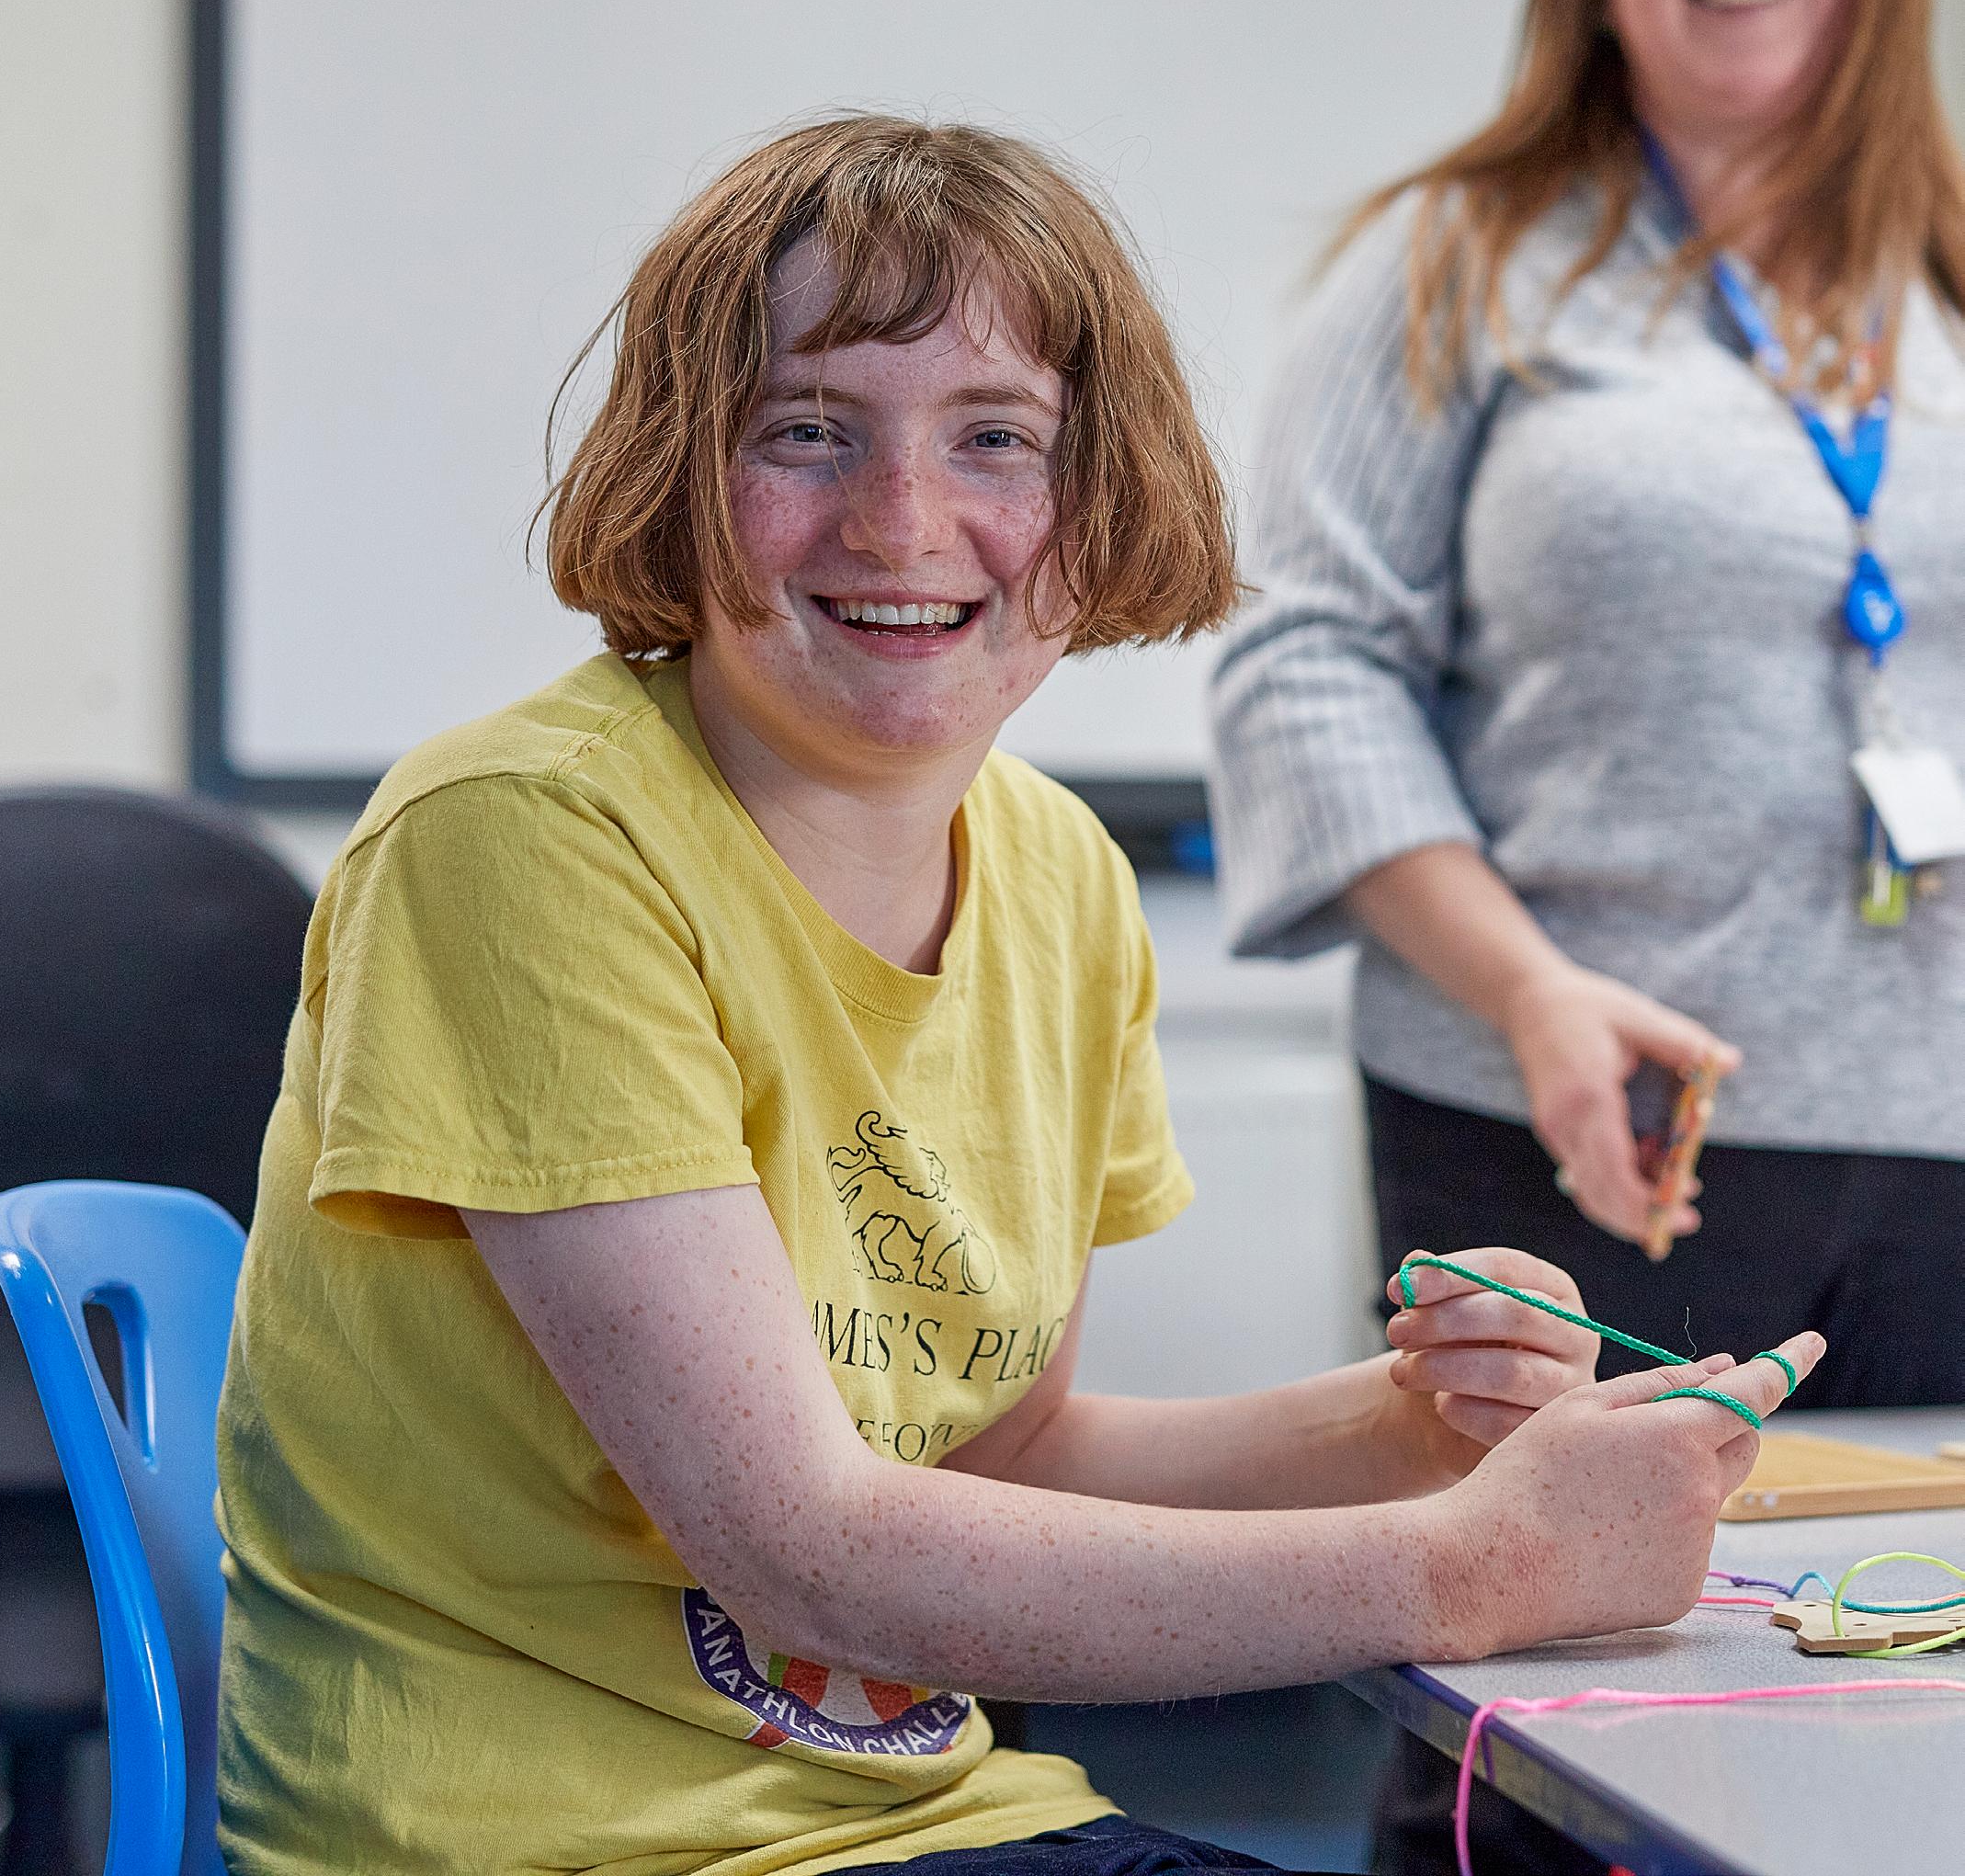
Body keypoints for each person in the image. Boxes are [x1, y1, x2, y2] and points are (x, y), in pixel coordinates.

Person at [214, 115, 1816, 1876]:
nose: (901, 522)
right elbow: (805, 1556)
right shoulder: (520, 839)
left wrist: (1404, 1427)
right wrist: (1478, 1565)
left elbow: (1006, 1451)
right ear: (681, 468)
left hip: (917, 1823)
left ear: (1098, 496)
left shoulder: (1057, 874)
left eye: (996, 438)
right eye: (805, 429)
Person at [1207, 0, 1962, 1871]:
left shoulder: (1943, 271)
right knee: (1547, 1730)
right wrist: (1531, 989)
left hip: (1936, 1136)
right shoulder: (1455, 263)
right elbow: (1306, 660)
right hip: (1580, 1136)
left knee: (1899, 1719)